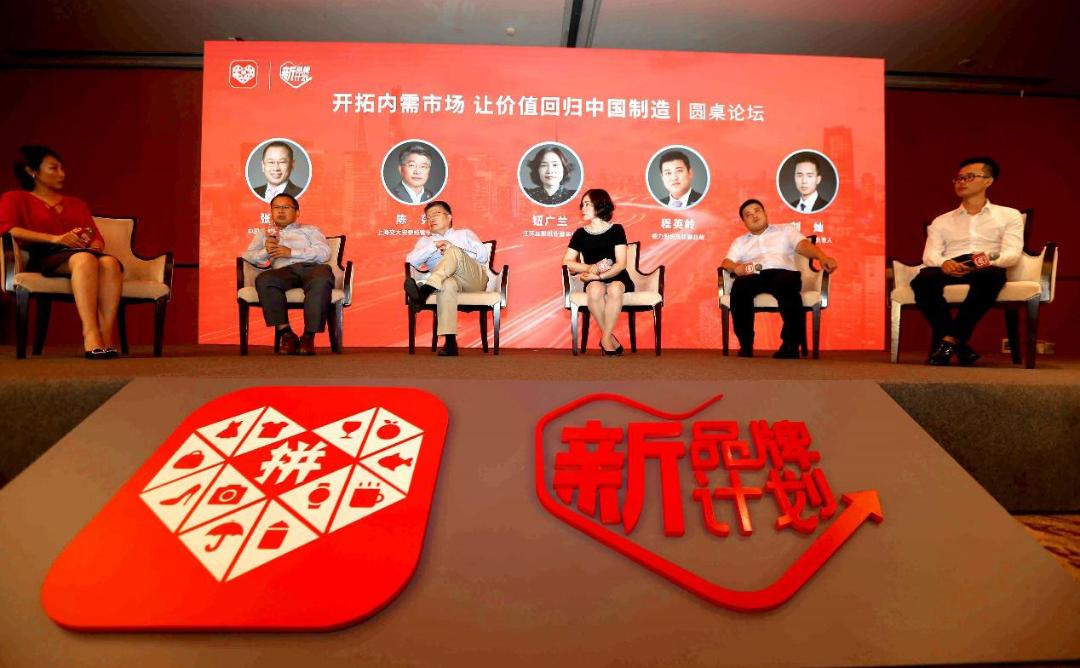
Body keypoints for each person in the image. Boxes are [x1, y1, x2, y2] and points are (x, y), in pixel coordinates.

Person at [0, 145, 123, 359]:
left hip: (79, 253)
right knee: (85, 260)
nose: (62, 174)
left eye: (62, 168)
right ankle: (91, 334)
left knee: (109, 263)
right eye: (54, 168)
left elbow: (96, 236)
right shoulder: (15, 198)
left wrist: (94, 244)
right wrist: (55, 238)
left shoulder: (77, 204)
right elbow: (7, 228)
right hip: (43, 254)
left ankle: (107, 335)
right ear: (32, 171)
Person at [912, 156, 1023, 366]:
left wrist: (984, 260)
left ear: (988, 181)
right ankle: (958, 344)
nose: (961, 182)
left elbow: (1012, 253)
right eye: (958, 178)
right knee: (922, 281)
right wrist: (944, 263)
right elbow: (929, 255)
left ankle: (949, 341)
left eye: (969, 177)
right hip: (951, 263)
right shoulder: (941, 221)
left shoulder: (1009, 215)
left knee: (990, 278)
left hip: (986, 263)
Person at [721, 199, 838, 358]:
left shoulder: (785, 230)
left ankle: (790, 345)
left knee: (786, 284)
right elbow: (727, 262)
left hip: (783, 273)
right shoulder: (740, 242)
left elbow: (802, 246)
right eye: (748, 215)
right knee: (739, 286)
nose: (754, 216)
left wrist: (822, 257)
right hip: (755, 274)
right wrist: (736, 268)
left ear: (765, 213)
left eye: (757, 211)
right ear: (744, 222)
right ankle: (745, 344)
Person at [242, 193, 333, 355]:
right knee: (265, 279)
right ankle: (286, 334)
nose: (281, 211)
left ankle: (308, 337)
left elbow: (324, 252)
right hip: (283, 272)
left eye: (286, 207)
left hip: (311, 268)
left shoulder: (310, 230)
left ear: (297, 212)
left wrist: (291, 252)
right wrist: (266, 251)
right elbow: (248, 257)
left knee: (322, 278)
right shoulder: (264, 234)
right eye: (276, 207)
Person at [403, 201, 491, 356]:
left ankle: (424, 292)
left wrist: (452, 248)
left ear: (449, 217)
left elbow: (483, 256)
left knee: (453, 251)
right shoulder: (425, 241)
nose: (431, 219)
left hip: (473, 280)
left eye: (436, 214)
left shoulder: (464, 234)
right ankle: (450, 343)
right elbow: (410, 261)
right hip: (446, 282)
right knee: (447, 283)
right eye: (428, 217)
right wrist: (434, 246)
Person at [562, 189, 634, 356]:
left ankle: (605, 338)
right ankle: (609, 338)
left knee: (615, 289)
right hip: (592, 278)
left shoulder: (617, 229)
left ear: (600, 205)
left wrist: (600, 275)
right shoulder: (580, 234)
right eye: (582, 205)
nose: (583, 208)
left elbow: (621, 263)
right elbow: (567, 261)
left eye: (588, 204)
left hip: (617, 276)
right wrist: (589, 268)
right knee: (595, 290)